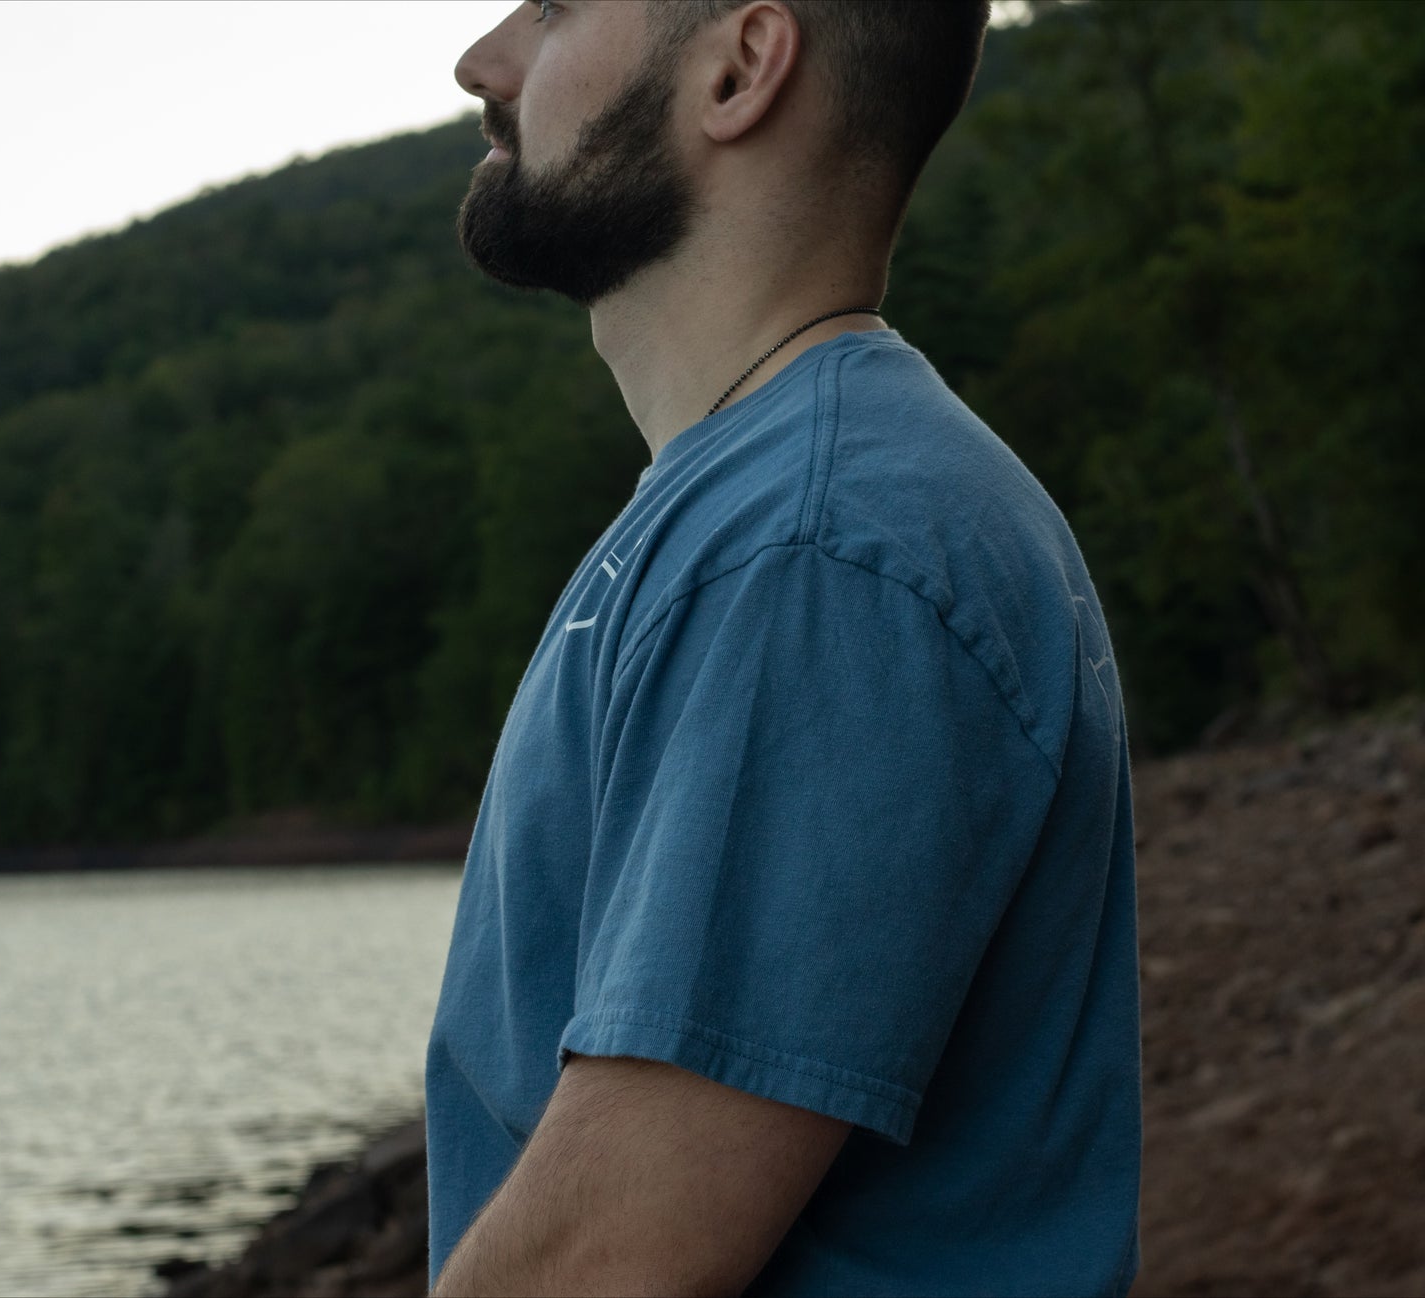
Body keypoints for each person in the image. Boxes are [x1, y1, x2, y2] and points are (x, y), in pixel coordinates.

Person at [425, 2, 1141, 1293]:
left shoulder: (820, 543)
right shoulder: (769, 508)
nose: (484, 62)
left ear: (740, 67)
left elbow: (606, 1261)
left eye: (557, 9)